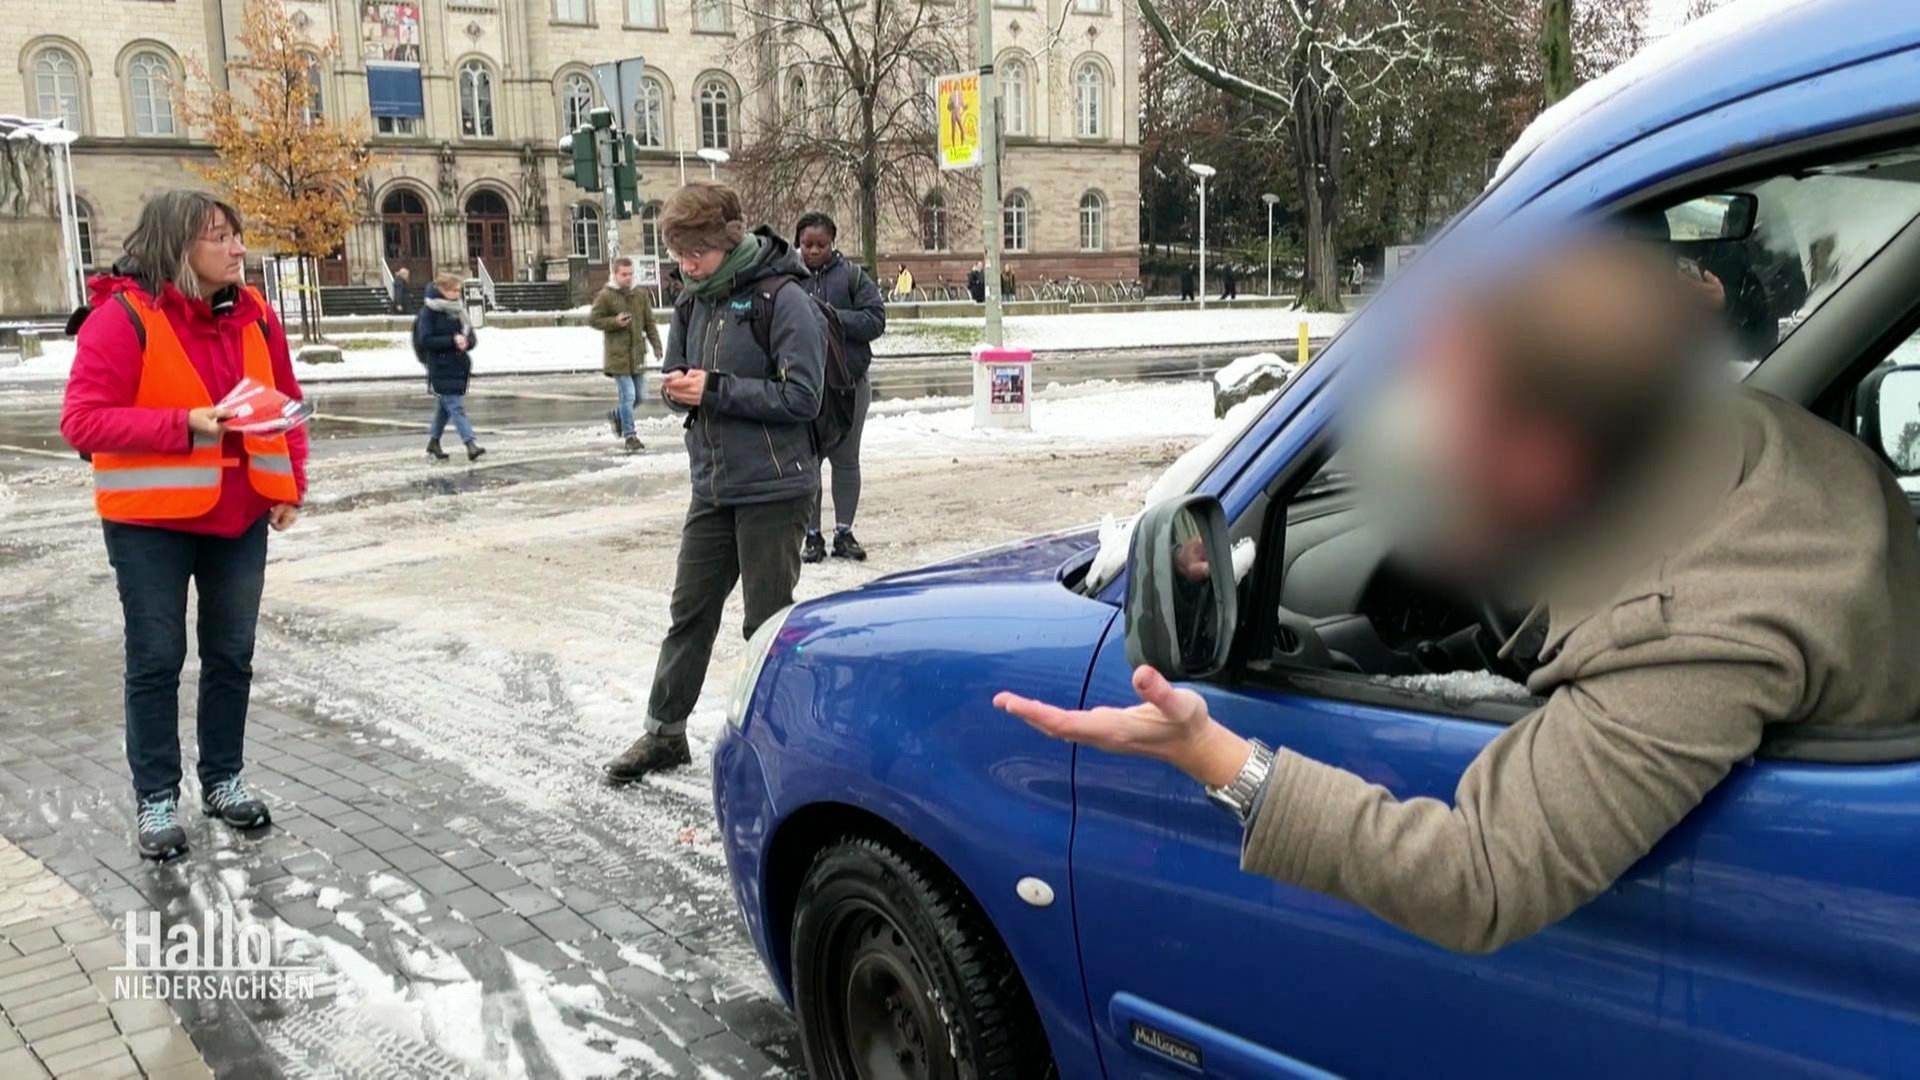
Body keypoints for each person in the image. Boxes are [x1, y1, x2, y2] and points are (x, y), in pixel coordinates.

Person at [995, 235, 1920, 954]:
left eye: (1464, 429)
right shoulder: (1750, 435)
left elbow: (1480, 877)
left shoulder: (1697, 632)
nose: (1438, 461)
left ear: (1546, 448)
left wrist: (1218, 757)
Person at [60, 191, 309, 861]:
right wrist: (182, 423)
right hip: (149, 525)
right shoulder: (122, 319)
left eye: (236, 235)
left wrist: (294, 486)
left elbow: (286, 405)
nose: (237, 249)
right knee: (156, 659)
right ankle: (157, 798)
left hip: (240, 515)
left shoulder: (257, 316)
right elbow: (81, 421)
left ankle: (224, 779)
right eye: (220, 237)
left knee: (231, 656)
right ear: (178, 246)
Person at [604, 182, 826, 780]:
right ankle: (665, 733)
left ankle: (776, 745)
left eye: (695, 251)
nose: (685, 264)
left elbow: (804, 396)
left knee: (767, 624)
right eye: (678, 252)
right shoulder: (691, 301)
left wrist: (715, 389)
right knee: (690, 611)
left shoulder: (784, 296)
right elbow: (683, 376)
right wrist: (677, 390)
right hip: (713, 484)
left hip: (775, 487)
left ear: (727, 242)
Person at [793, 211, 888, 563]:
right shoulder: (789, 279)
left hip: (849, 384)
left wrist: (833, 316)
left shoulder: (852, 276)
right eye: (807, 245)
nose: (814, 251)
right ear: (798, 244)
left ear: (833, 243)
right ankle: (812, 535)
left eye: (821, 244)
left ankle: (844, 532)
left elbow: (875, 319)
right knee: (809, 461)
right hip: (805, 385)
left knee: (846, 460)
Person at [590, 256, 665, 452]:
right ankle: (630, 436)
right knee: (629, 395)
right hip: (618, 357)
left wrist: (656, 345)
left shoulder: (640, 295)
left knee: (640, 396)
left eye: (631, 274)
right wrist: (615, 322)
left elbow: (649, 322)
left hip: (637, 354)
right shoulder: (607, 295)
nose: (628, 278)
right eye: (624, 274)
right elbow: (593, 319)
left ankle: (618, 416)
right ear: (615, 274)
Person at [414, 272, 485, 462]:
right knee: (455, 406)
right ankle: (470, 443)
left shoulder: (459, 310)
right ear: (442, 290)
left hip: (457, 366)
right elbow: (425, 340)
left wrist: (466, 343)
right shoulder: (429, 312)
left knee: (444, 408)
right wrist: (451, 340)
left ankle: (434, 442)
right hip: (440, 366)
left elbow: (471, 336)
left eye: (458, 290)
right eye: (453, 290)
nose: (457, 294)